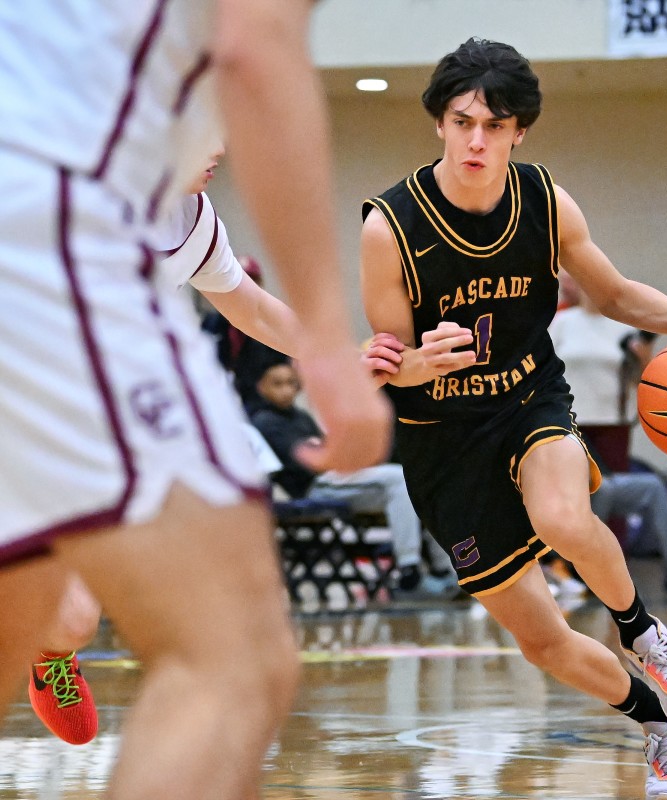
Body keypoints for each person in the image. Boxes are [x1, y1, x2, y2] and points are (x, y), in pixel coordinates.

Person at [0, 2, 391, 797]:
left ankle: (52, 655)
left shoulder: (186, 213)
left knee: (38, 608)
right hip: (45, 221)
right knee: (233, 656)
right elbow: (254, 43)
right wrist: (324, 341)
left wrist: (340, 352)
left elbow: (246, 304)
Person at [359, 38, 667, 800]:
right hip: (442, 438)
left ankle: (645, 631)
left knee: (562, 516)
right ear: (438, 125)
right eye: (462, 121)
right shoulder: (391, 227)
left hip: (527, 400)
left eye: (495, 125)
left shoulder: (545, 201)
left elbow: (611, 294)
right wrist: (421, 360)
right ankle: (660, 729)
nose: (477, 139)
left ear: (520, 132)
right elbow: (389, 363)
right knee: (542, 641)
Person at [550, 273, 667, 594]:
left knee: (610, 500)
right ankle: (574, 569)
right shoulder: (561, 322)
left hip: (613, 421)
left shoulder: (622, 326)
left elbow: (644, 381)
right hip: (568, 423)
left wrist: (645, 358)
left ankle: (618, 574)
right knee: (579, 499)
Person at [251, 360, 456, 595]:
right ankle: (408, 565)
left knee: (417, 483)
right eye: (277, 384)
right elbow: (308, 462)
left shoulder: (300, 417)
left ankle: (444, 569)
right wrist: (331, 454)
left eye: (290, 383)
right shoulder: (264, 421)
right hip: (315, 487)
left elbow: (325, 450)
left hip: (339, 479)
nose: (286, 389)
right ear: (261, 387)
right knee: (399, 477)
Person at [201, 255, 289, 412]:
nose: (244, 288)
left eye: (252, 281)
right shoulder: (211, 323)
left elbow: (282, 370)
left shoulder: (273, 325)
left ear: (260, 285)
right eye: (241, 280)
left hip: (262, 407)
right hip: (217, 402)